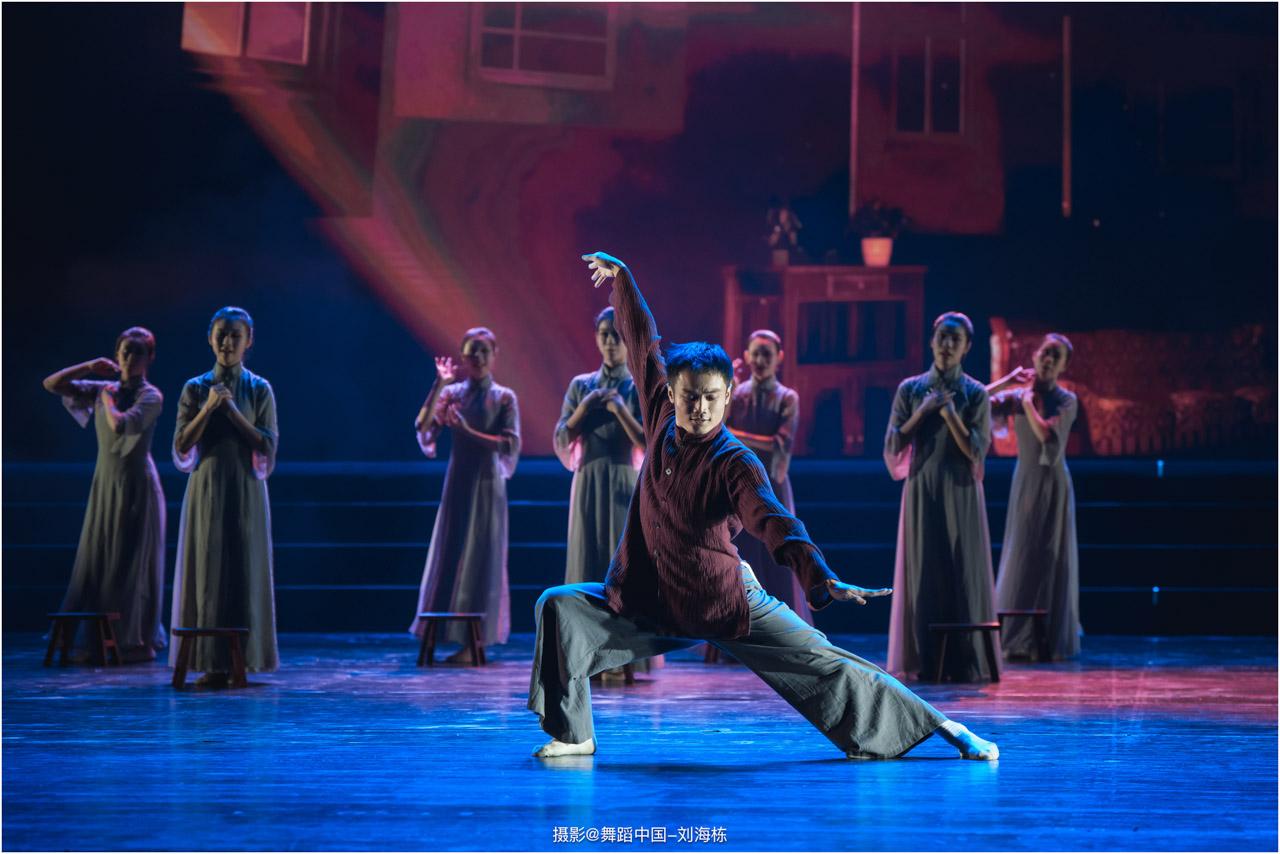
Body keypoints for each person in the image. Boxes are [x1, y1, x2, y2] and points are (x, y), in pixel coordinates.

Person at [527, 252, 999, 761]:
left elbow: (773, 519)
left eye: (711, 397)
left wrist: (818, 574)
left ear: (728, 396)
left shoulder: (734, 461)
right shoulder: (660, 415)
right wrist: (624, 282)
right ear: (672, 393)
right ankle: (575, 734)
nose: (700, 408)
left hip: (720, 600)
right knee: (558, 605)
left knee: (822, 659)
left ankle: (943, 726)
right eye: (690, 397)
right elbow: (643, 343)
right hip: (652, 600)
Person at [884, 312, 1000, 683]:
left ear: (967, 348)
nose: (947, 345)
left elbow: (976, 450)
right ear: (932, 341)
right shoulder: (911, 389)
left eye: (955, 339)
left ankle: (965, 661)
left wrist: (949, 414)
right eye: (942, 337)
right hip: (921, 488)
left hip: (961, 489)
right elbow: (893, 443)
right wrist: (923, 412)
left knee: (962, 568)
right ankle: (924, 659)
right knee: (923, 569)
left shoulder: (976, 393)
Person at [43, 328, 167, 662]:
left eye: (138, 352)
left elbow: (120, 425)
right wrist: (88, 367)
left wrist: (107, 400)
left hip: (137, 486)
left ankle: (134, 642)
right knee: (98, 563)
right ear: (116, 354)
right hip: (106, 484)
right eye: (125, 351)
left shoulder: (151, 396)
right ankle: (100, 642)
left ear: (149, 358)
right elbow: (51, 385)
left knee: (129, 565)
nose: (129, 358)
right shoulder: (103, 389)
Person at [170, 306, 279, 684]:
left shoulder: (259, 388)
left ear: (249, 341)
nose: (227, 342)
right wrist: (208, 409)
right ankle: (211, 663)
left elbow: (267, 444)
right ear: (209, 338)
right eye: (221, 334)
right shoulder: (195, 388)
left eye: (235, 335)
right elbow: (181, 443)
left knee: (244, 569)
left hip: (246, 488)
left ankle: (244, 660)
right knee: (208, 570)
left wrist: (231, 411)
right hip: (206, 487)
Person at [410, 328, 521, 661]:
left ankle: (475, 642)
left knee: (482, 559)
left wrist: (468, 431)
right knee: (450, 553)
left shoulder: (504, 398)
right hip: (458, 483)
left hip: (488, 486)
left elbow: (510, 444)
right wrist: (439, 384)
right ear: (462, 355)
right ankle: (443, 633)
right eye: (472, 351)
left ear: (494, 354)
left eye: (484, 351)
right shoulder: (453, 393)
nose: (478, 358)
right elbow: (423, 428)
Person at [990, 334, 1081, 659]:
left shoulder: (1066, 400)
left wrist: (1027, 403)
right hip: (1025, 480)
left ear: (1064, 365)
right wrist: (1009, 381)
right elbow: (977, 401)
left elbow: (1047, 436)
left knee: (1049, 554)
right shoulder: (1018, 394)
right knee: (1022, 551)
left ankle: (1047, 638)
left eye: (1056, 356)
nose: (1049, 360)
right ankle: (1018, 637)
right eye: (1046, 353)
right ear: (1035, 355)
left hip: (1053, 482)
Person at [725, 329, 811, 624]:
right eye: (756, 354)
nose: (760, 360)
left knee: (778, 556)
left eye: (767, 354)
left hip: (772, 484)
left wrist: (736, 435)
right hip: (740, 483)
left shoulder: (787, 397)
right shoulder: (737, 393)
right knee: (743, 553)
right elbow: (718, 429)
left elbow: (780, 443)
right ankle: (739, 627)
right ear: (746, 356)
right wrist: (729, 388)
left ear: (779, 358)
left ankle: (782, 629)